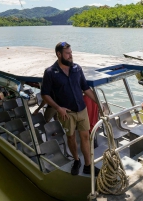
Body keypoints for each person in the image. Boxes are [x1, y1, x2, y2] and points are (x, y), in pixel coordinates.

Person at [41, 42, 100, 176]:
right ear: (59, 54)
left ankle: (87, 165)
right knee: (71, 137)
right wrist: (58, 108)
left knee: (85, 136)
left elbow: (85, 88)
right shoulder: (50, 72)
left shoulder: (77, 68)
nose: (70, 56)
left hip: (81, 109)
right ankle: (76, 160)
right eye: (67, 53)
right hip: (66, 113)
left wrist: (98, 102)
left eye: (71, 53)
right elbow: (45, 94)